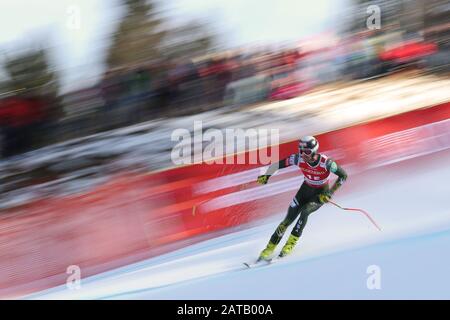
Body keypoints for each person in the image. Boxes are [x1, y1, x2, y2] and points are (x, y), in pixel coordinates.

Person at [256, 136, 348, 261]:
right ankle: (269, 248)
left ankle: (290, 244)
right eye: (301, 151)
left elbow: (343, 175)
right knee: (287, 220)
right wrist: (266, 175)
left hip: (320, 194)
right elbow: (277, 165)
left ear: (314, 151)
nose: (304, 155)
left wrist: (329, 193)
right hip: (304, 191)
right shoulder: (298, 159)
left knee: (305, 212)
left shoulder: (326, 163)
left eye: (308, 152)